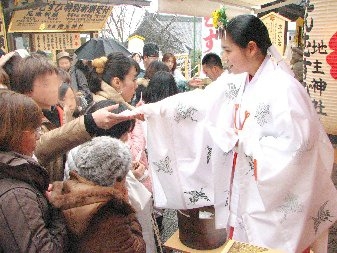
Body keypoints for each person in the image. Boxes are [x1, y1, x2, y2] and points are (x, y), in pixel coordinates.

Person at [134, 14, 337, 253]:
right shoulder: (237, 81)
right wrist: (152, 110)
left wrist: (242, 141)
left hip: (272, 200)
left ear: (251, 48)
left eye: (228, 51)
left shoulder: (285, 89)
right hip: (245, 188)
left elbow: (299, 150)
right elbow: (201, 102)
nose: (225, 58)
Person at [10, 53, 138, 182]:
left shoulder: (62, 112)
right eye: (47, 83)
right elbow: (38, 149)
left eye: (57, 82)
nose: (56, 88)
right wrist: (89, 122)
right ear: (27, 88)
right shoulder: (22, 120)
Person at [65, 100, 156, 253]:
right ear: (113, 135)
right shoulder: (112, 161)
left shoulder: (75, 153)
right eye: (126, 132)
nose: (128, 137)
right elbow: (136, 207)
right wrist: (136, 179)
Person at [48, 136, 146, 253]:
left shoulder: (65, 192)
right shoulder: (109, 215)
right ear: (117, 179)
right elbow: (137, 249)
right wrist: (127, 210)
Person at [0, 90, 67, 252]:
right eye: (34, 130)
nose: (38, 137)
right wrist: (55, 208)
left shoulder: (16, 177)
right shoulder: (16, 194)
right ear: (13, 134)